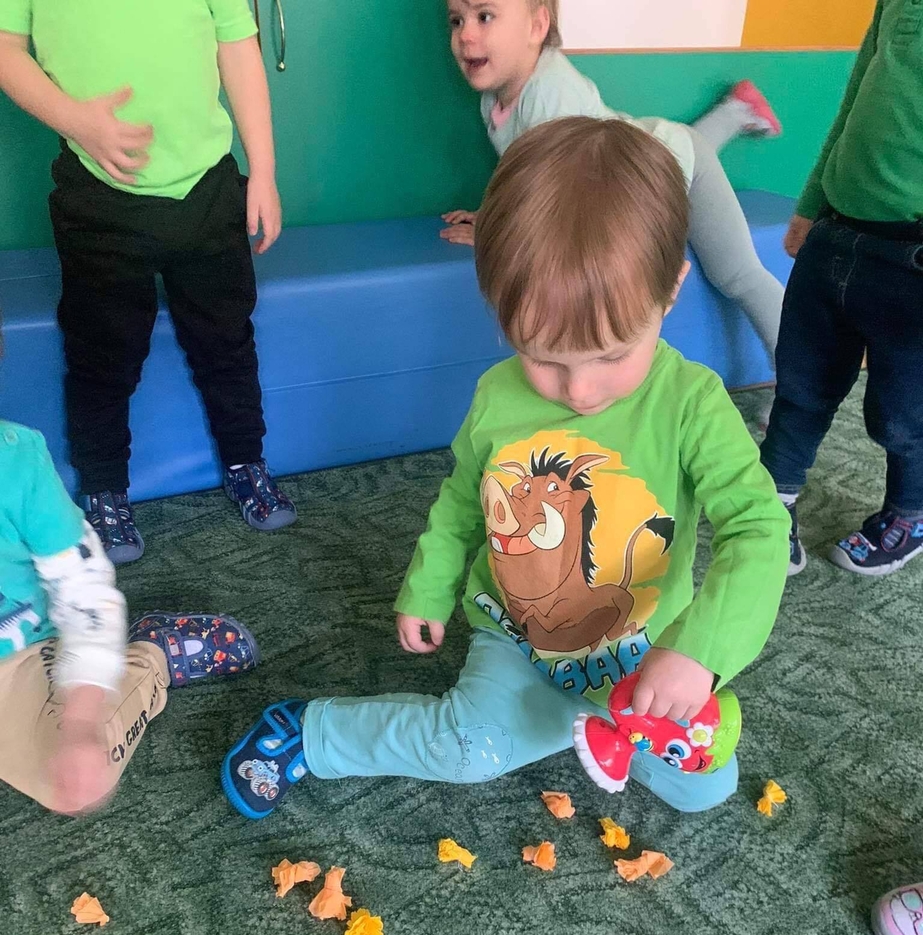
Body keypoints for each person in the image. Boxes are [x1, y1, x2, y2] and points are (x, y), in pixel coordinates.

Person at [221, 117, 789, 821]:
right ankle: (310, 733)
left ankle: (586, 723)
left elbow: (758, 529)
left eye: (612, 355)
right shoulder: (497, 395)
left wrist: (700, 654)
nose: (579, 390)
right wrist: (428, 586)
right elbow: (463, 499)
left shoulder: (692, 403)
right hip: (517, 640)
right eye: (544, 358)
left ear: (670, 291)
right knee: (471, 751)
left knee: (704, 789)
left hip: (643, 653)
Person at [0, 0, 296, 566]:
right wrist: (74, 120)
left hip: (207, 185)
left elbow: (237, 45)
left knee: (227, 343)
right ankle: (104, 489)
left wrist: (263, 171)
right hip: (98, 192)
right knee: (100, 356)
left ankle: (246, 462)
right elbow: (5, 46)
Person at [439, 0, 785, 365]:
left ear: (537, 26)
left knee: (736, 275)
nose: (466, 35)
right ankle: (736, 111)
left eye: (485, 16)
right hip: (648, 157)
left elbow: (558, 197)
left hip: (667, 172)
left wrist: (500, 231)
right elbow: (524, 171)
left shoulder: (553, 95)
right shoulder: (495, 99)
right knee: (677, 147)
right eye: (456, 20)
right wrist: (493, 215)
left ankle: (795, 375)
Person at [0, 419, 259, 815]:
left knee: (79, 768)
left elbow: (83, 587)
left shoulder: (14, 463)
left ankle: (152, 657)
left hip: (24, 653)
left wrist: (81, 721)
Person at [760, 0, 923, 578]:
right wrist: (811, 202)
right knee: (801, 382)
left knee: (904, 414)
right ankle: (773, 498)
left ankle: (910, 511)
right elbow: (854, 101)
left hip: (913, 260)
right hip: (836, 233)